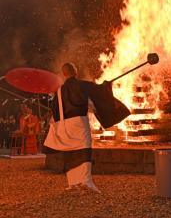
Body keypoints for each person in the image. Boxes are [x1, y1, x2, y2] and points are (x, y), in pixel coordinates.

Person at [44, 62, 130, 192]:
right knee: (84, 150)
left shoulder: (59, 91)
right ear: (75, 71)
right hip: (79, 121)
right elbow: (97, 92)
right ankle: (86, 182)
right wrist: (105, 86)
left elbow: (55, 110)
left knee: (71, 152)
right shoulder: (81, 85)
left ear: (64, 74)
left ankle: (73, 183)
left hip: (64, 124)